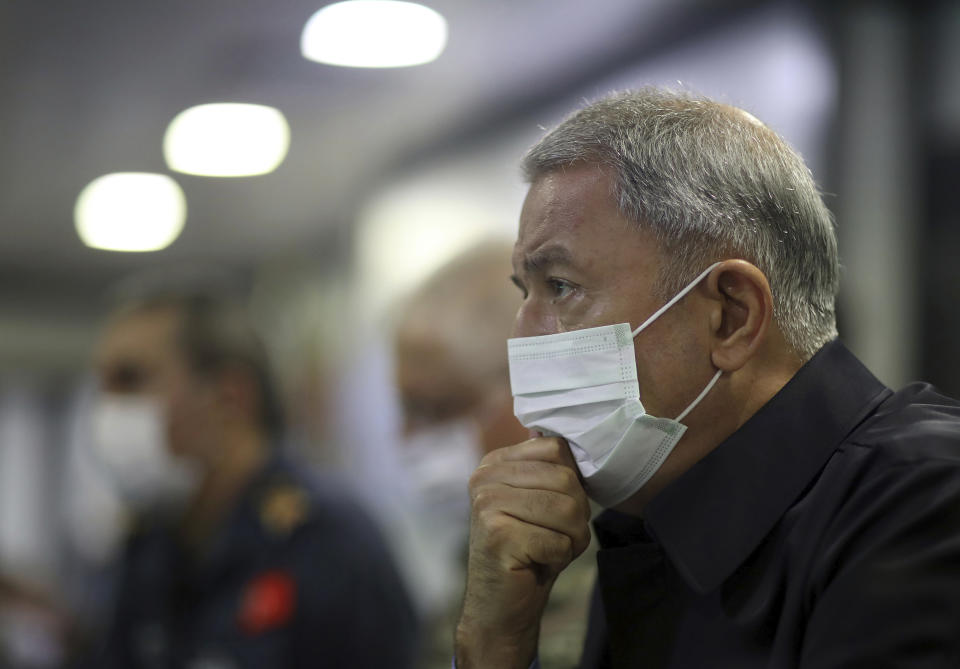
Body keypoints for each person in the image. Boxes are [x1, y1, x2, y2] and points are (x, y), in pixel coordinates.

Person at [454, 88, 960, 668]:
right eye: (526, 292)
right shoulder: (648, 525)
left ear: (731, 316)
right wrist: (496, 645)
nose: (521, 336)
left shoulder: (924, 502)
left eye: (561, 287)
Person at [83, 286, 418, 669]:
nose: (107, 407)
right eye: (103, 385)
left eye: (129, 380)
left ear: (230, 397)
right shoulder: (149, 543)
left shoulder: (328, 541)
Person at [393, 242, 596, 668]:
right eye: (405, 410)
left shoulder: (579, 565)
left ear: (526, 393)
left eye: (435, 409)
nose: (407, 436)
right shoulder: (478, 552)